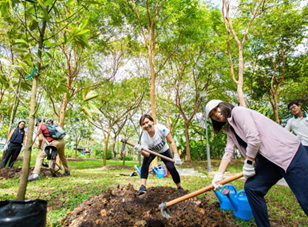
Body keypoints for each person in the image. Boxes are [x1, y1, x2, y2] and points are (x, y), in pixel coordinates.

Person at [206, 100, 308, 227]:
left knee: (305, 199)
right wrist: (219, 175)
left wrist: (248, 162)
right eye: (212, 114)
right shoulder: (229, 129)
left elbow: (253, 137)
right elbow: (229, 151)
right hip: (270, 161)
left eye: (216, 109)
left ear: (223, 105)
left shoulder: (238, 112)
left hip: (289, 154)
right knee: (252, 188)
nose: (216, 114)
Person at [134, 114, 182, 195]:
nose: (146, 125)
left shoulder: (161, 129)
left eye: (147, 122)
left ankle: (179, 187)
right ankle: (142, 186)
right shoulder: (144, 137)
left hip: (164, 150)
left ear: (152, 121)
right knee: (145, 165)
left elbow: (171, 142)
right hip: (152, 151)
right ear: (141, 126)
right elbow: (147, 155)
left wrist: (176, 156)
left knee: (171, 167)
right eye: (143, 124)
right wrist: (141, 151)